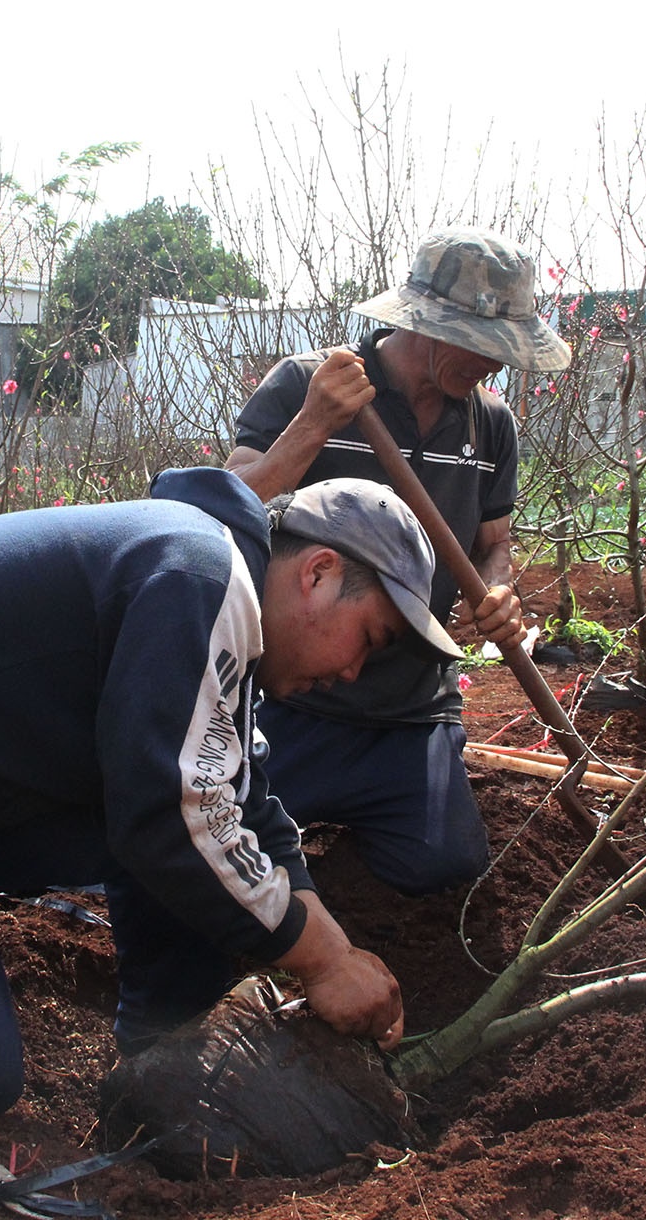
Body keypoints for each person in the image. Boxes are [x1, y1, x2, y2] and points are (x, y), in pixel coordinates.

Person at [0, 467, 458, 1121]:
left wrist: (325, 931)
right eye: (372, 638)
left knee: (187, 816)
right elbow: (176, 816)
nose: (357, 675)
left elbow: (237, 794)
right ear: (319, 573)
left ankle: (160, 1046)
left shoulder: (216, 589)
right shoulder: (202, 577)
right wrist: (323, 960)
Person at [226, 226, 572, 895]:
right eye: (481, 345)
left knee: (445, 869)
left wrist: (497, 592)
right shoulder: (308, 384)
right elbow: (227, 504)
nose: (492, 366)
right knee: (220, 851)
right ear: (425, 324)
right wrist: (314, 424)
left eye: (504, 352)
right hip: (295, 698)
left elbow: (491, 543)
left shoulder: (489, 424)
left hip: (412, 710)